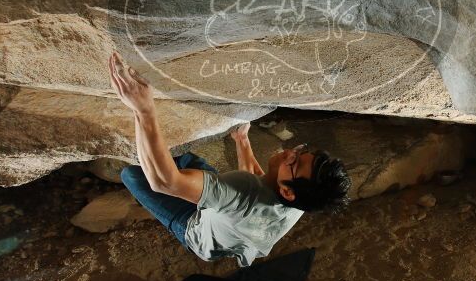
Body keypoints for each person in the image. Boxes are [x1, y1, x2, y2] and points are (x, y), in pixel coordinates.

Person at [108, 52, 350, 267]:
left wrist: (143, 109)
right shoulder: (304, 199)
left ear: (287, 192)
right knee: (180, 154)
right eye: (299, 151)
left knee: (132, 173)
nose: (289, 153)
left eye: (294, 162)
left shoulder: (240, 193)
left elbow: (165, 182)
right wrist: (241, 140)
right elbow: (259, 182)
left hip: (195, 230)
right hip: (232, 218)